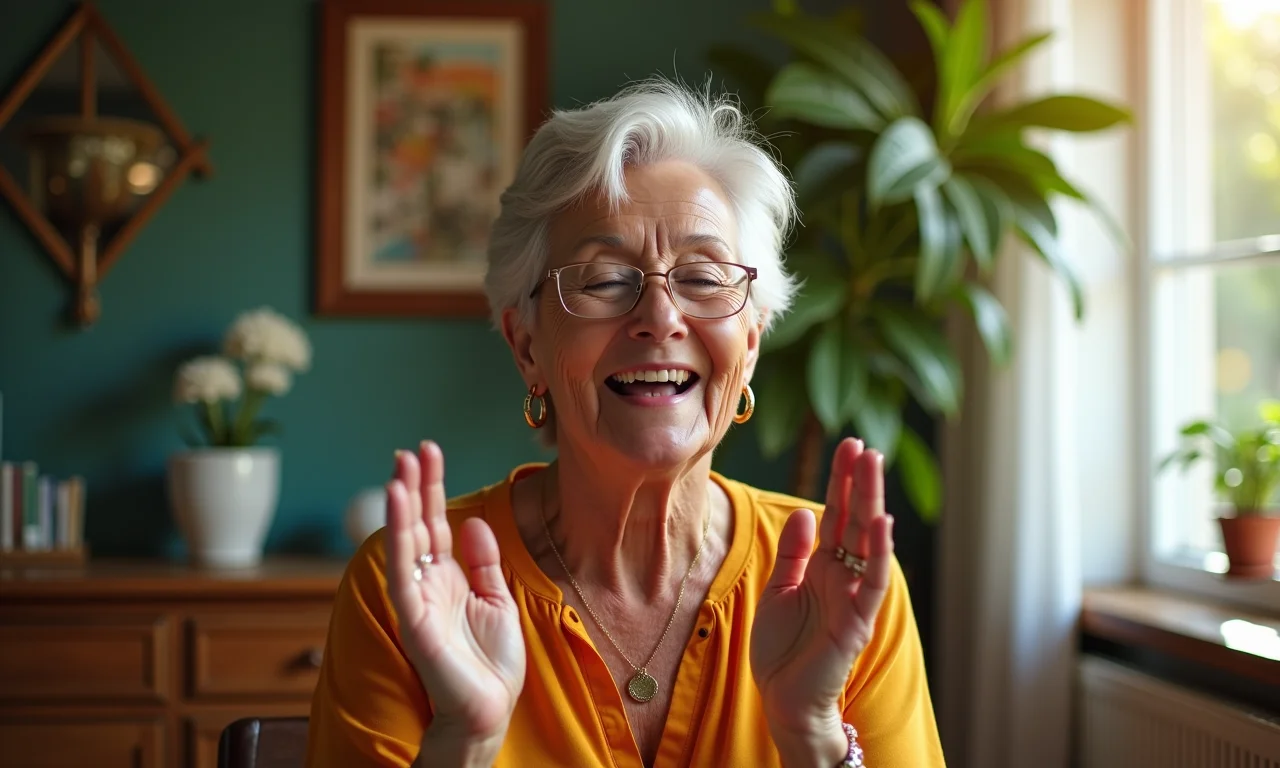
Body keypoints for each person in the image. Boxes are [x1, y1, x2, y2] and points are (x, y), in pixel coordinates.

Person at [306, 80, 946, 768]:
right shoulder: (410, 588)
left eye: (703, 278)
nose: (661, 317)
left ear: (751, 343)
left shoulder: (842, 582)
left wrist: (813, 730)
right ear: (527, 346)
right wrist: (464, 740)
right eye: (604, 279)